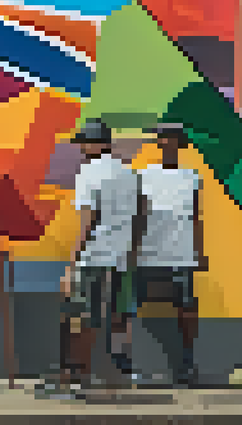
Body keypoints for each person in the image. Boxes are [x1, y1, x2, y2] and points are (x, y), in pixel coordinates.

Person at [52, 118, 142, 400]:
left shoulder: (89, 173)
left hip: (93, 256)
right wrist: (131, 251)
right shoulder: (128, 172)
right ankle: (110, 379)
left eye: (84, 143)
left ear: (94, 145)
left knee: (79, 318)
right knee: (115, 317)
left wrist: (71, 264)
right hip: (120, 257)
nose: (81, 149)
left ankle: (78, 380)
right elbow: (141, 215)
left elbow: (88, 222)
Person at [135, 123, 205, 387]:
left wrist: (199, 251)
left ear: (180, 142)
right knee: (131, 308)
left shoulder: (192, 176)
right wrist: (133, 249)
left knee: (187, 309)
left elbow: (196, 216)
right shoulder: (144, 175)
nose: (167, 142)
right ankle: (127, 364)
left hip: (183, 253)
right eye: (162, 138)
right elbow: (138, 215)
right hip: (148, 254)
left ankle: (187, 364)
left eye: (172, 138)